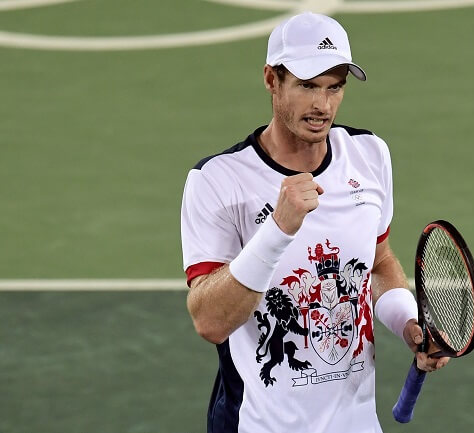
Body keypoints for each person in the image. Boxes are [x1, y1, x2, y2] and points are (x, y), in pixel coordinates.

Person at [180, 11, 449, 433]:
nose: (322, 105)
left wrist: (408, 324)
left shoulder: (370, 155)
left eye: (334, 87)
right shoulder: (218, 180)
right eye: (307, 85)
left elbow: (377, 263)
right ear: (271, 79)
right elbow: (209, 322)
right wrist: (277, 229)